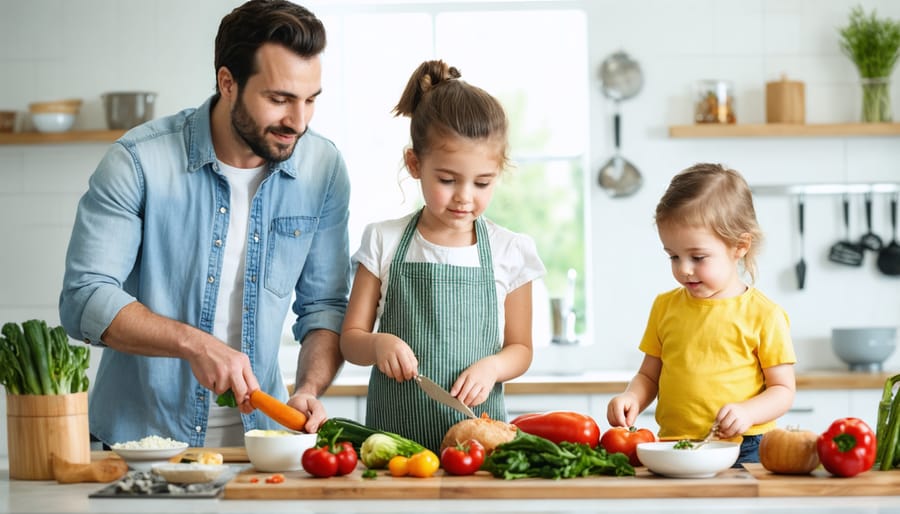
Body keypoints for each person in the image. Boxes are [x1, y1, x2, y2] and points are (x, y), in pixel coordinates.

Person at [58, 0, 351, 448]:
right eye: (279, 99)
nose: (298, 121)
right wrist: (193, 343)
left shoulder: (322, 168)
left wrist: (308, 388)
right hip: (138, 447)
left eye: (310, 100)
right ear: (227, 82)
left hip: (259, 451)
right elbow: (84, 298)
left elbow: (324, 307)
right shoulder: (139, 161)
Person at [340, 60, 545, 452]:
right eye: (447, 180)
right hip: (393, 450)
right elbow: (351, 341)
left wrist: (494, 366)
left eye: (482, 182)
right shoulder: (384, 239)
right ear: (415, 164)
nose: (465, 197)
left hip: (478, 451)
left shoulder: (510, 250)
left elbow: (521, 348)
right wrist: (378, 344)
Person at [606, 163, 796, 465]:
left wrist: (748, 412)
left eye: (698, 257)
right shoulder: (665, 307)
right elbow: (648, 375)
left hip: (744, 448)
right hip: (672, 445)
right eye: (673, 256)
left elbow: (783, 390)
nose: (683, 269)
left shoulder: (764, 315)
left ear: (739, 246)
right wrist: (632, 397)